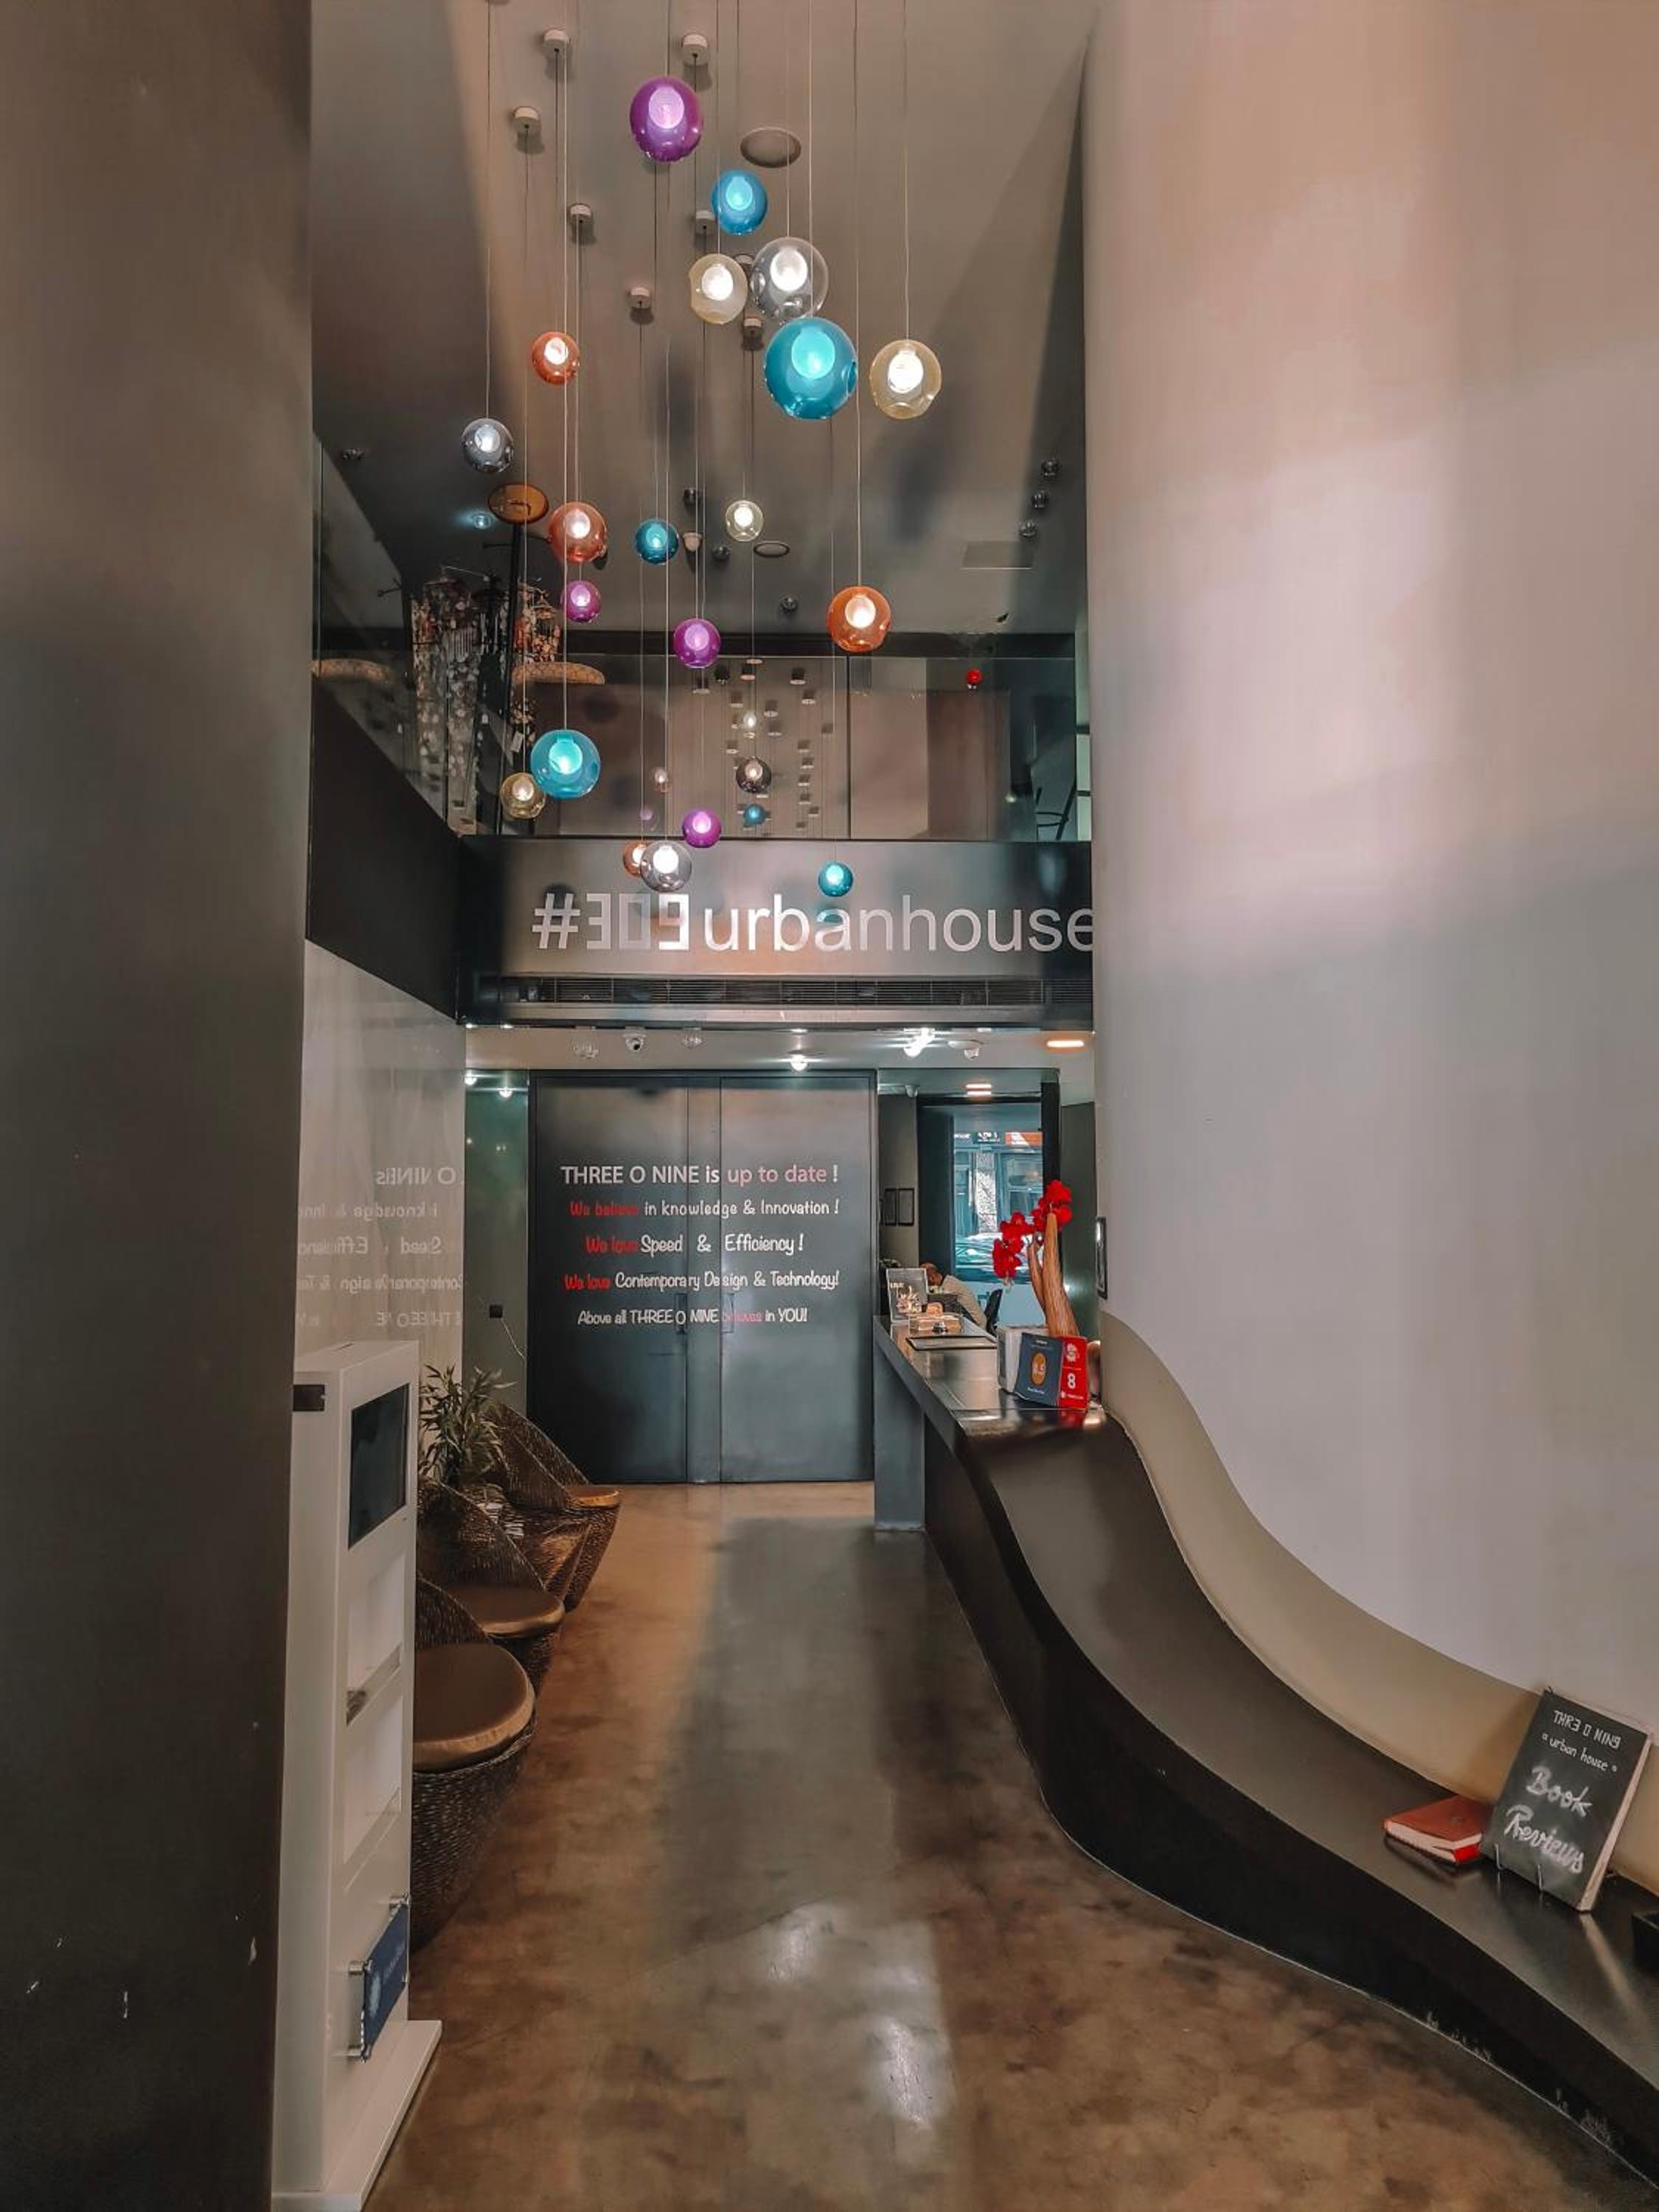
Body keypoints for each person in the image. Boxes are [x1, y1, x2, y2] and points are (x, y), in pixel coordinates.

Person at [923, 1259, 988, 1329]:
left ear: (933, 1278)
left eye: (928, 1284)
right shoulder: (948, 1281)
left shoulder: (949, 1286)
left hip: (975, 1324)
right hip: (970, 1321)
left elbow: (939, 1307)